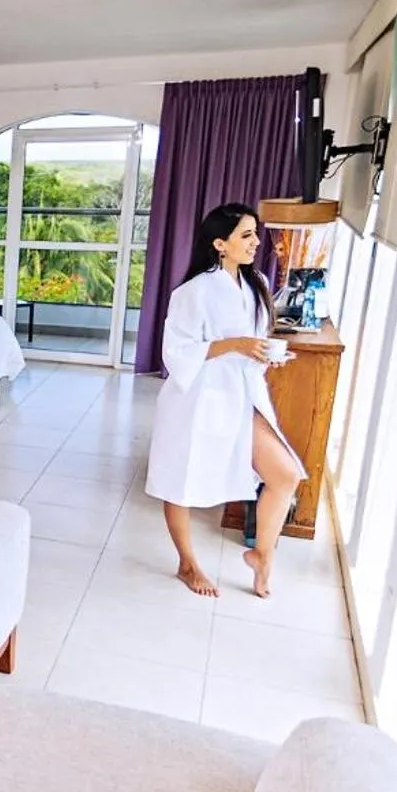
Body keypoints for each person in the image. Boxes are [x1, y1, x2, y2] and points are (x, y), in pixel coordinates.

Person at [145, 203, 305, 597]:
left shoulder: (257, 285)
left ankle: (262, 554)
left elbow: (252, 342)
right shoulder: (192, 292)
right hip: (197, 399)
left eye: (255, 234)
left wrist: (268, 354)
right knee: (178, 482)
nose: (255, 243)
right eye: (245, 236)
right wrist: (237, 344)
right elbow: (177, 351)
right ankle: (187, 564)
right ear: (220, 244)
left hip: (243, 394)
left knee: (285, 475)